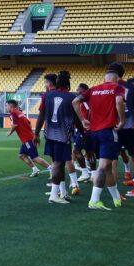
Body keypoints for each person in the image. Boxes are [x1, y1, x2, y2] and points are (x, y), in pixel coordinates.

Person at [72, 66, 126, 211]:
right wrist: (122, 120)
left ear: (104, 78)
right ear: (118, 79)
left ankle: (116, 198)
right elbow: (119, 102)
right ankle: (94, 200)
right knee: (103, 167)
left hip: (93, 133)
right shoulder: (117, 87)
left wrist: (82, 120)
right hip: (107, 132)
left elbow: (75, 102)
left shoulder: (93, 89)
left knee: (107, 167)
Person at [36, 71, 81, 204]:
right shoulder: (71, 97)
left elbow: (41, 115)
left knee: (58, 163)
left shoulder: (47, 95)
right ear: (68, 83)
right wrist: (83, 133)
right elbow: (77, 119)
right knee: (58, 163)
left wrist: (36, 133)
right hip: (63, 136)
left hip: (49, 134)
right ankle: (54, 195)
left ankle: (63, 192)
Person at [6, 99, 50, 177]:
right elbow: (29, 124)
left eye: (7, 105)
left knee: (35, 158)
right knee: (22, 155)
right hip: (28, 138)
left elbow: (14, 125)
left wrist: (10, 132)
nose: (6, 107)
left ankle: (52, 169)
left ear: (10, 105)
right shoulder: (20, 113)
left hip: (27, 139)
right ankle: (35, 169)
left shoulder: (13, 113)